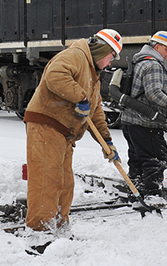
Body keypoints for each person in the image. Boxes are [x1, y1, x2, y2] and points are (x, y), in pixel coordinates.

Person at [23, 29, 123, 232]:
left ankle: (59, 227)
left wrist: (107, 141)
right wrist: (81, 97)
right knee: (46, 182)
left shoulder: (94, 74)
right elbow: (55, 75)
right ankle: (39, 233)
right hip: (46, 125)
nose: (111, 63)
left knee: (65, 184)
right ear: (103, 49)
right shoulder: (76, 55)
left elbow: (95, 113)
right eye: (112, 56)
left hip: (64, 133)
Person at [120, 31, 167, 202]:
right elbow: (154, 94)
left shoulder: (139, 60)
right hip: (146, 123)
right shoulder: (153, 64)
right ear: (157, 46)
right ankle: (153, 198)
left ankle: (136, 194)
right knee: (156, 160)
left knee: (137, 160)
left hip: (130, 122)